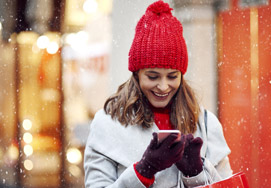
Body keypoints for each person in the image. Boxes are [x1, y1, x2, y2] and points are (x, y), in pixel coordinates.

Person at [84, 1, 232, 187]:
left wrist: (196, 174)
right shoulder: (107, 124)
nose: (163, 87)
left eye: (172, 76)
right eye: (153, 76)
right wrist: (143, 171)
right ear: (136, 74)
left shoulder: (206, 123)